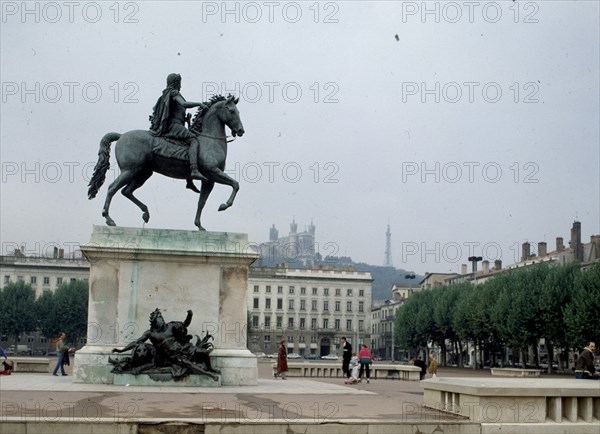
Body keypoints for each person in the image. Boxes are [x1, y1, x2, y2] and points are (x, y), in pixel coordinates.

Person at [149, 73, 208, 182]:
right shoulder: (174, 93)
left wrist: (185, 120)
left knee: (186, 145)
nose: (180, 86)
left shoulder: (166, 94)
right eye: (180, 83)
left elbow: (174, 112)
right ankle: (194, 170)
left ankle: (189, 181)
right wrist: (199, 104)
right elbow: (184, 104)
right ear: (176, 83)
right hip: (174, 126)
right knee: (194, 140)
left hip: (176, 124)